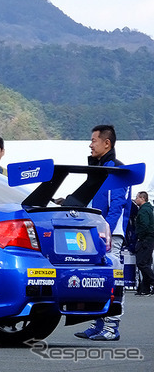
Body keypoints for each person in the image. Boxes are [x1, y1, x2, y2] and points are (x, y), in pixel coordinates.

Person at [75, 124, 131, 341]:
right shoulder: (97, 169)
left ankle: (112, 326)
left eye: (94, 140)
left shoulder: (117, 169)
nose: (90, 144)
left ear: (106, 143)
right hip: (95, 233)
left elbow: (118, 204)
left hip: (111, 234)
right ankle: (98, 323)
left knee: (114, 278)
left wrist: (105, 229)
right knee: (97, 278)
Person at [133, 191, 154, 296]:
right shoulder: (149, 209)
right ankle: (145, 289)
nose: (136, 200)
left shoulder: (143, 211)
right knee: (146, 263)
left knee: (141, 263)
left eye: (137, 198)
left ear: (142, 198)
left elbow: (144, 226)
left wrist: (140, 236)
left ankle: (151, 283)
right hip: (149, 240)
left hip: (145, 240)